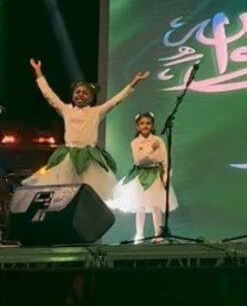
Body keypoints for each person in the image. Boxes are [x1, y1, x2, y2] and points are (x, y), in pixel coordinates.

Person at [23, 59, 149, 202]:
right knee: (64, 194)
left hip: (89, 158)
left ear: (91, 98)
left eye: (85, 93)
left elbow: (116, 100)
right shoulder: (66, 110)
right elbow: (48, 94)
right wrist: (38, 71)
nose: (80, 95)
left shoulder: (96, 111)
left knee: (89, 195)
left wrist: (134, 82)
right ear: (73, 95)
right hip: (69, 156)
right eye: (78, 92)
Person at [110, 112, 177, 242]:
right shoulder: (135, 142)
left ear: (152, 125)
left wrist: (166, 177)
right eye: (142, 123)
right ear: (137, 126)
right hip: (141, 175)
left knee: (156, 206)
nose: (145, 126)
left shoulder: (158, 141)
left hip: (156, 175)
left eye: (148, 123)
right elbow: (139, 160)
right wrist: (151, 149)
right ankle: (139, 234)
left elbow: (165, 160)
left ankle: (158, 234)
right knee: (140, 205)